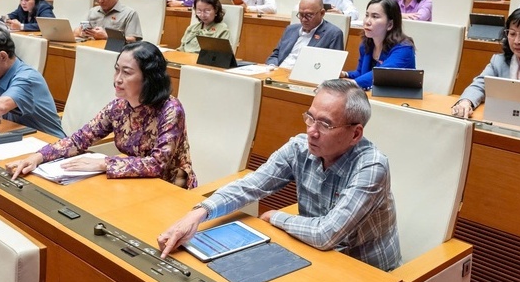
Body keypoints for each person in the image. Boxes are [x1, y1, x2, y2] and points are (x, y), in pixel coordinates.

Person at [157, 78, 402, 271]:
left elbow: (326, 234)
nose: (312, 132)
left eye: (325, 125)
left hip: (366, 271)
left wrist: (276, 217)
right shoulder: (300, 147)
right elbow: (250, 186)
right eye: (310, 119)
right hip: (313, 256)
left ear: (356, 134)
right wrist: (199, 213)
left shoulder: (371, 166)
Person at [7, 41, 197, 189]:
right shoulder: (119, 106)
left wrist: (103, 163)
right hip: (132, 182)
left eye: (127, 72)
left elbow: (157, 165)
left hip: (169, 187)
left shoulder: (170, 109)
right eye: (117, 70)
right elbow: (79, 139)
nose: (117, 79)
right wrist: (38, 157)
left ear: (149, 78)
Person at [341, 0, 415, 89]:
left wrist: (349, 84)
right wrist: (344, 74)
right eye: (367, 15)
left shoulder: (404, 48)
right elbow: (361, 73)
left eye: (375, 17)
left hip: (397, 100)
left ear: (390, 24)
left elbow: (382, 73)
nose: (367, 21)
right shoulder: (366, 44)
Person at [266, 0, 344, 68]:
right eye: (301, 14)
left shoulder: (333, 34)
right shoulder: (290, 29)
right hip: (278, 72)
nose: (303, 19)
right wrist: (272, 67)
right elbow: (275, 55)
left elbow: (332, 67)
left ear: (322, 13)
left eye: (309, 15)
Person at [73, 0, 142, 42]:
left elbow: (133, 40)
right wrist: (81, 32)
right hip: (92, 49)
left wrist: (107, 36)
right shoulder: (93, 11)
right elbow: (78, 30)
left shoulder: (129, 14)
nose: (99, 0)